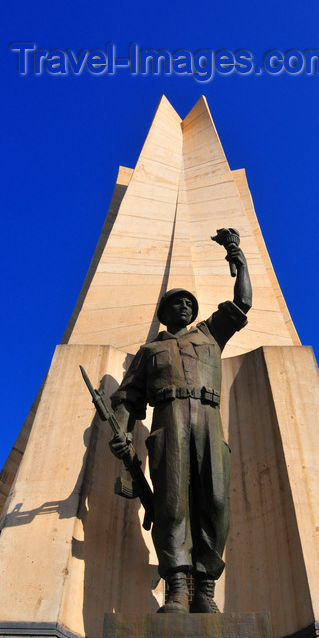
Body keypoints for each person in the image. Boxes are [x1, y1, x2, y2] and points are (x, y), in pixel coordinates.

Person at [109, 240, 252, 613]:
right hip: (169, 419)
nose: (185, 306)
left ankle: (205, 588)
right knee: (172, 503)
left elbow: (242, 305)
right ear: (164, 312)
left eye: (189, 302)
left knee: (215, 502)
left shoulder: (210, 335)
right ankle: (176, 586)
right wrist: (121, 431)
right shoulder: (150, 351)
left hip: (208, 418)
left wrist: (239, 261)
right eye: (178, 302)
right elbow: (127, 397)